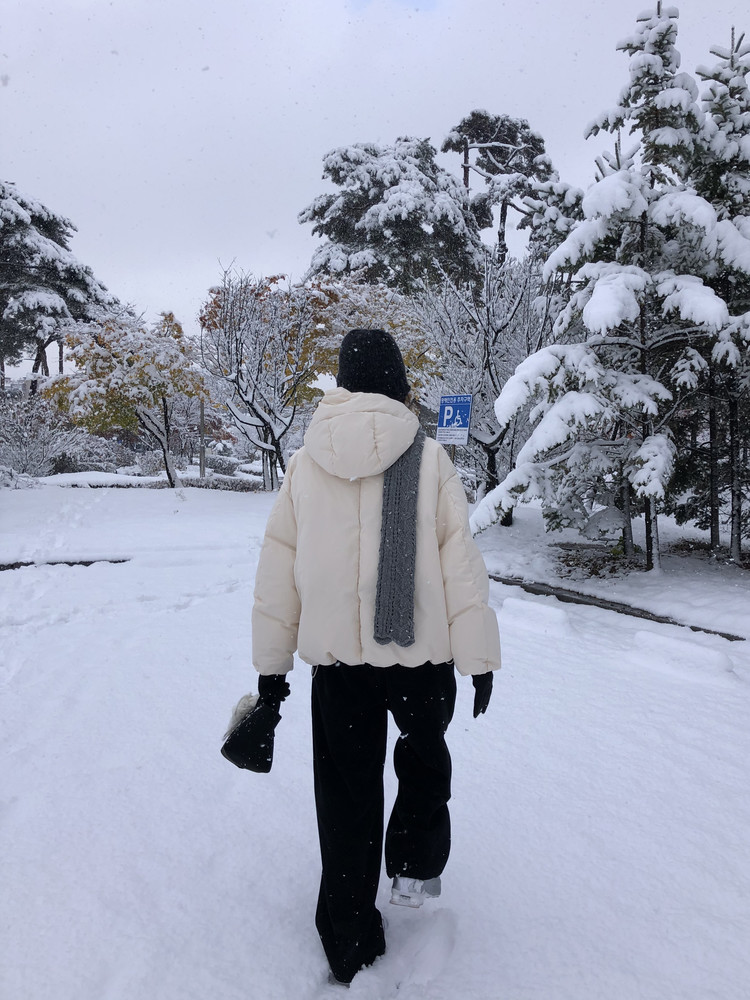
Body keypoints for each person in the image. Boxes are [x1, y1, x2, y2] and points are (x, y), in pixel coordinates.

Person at [251, 328, 501, 988]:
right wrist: (478, 658)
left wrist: (272, 670)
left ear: (342, 383)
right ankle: (413, 867)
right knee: (424, 757)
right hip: (420, 660)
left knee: (346, 797)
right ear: (397, 383)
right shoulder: (429, 458)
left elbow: (277, 571)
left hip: (339, 670)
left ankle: (348, 934)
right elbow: (459, 564)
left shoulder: (306, 463)